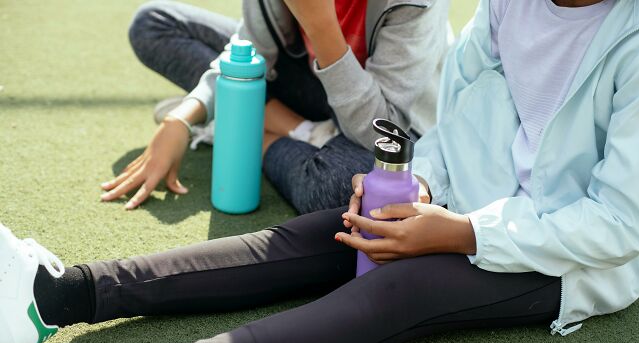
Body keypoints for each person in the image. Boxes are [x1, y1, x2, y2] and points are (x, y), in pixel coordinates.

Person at [1, 0, 639, 343]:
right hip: (462, 202)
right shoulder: (509, 4)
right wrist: (416, 186)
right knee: (325, 232)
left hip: (569, 255)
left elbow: (617, 223)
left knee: (391, 293)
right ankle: (59, 292)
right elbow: (456, 127)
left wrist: (460, 234)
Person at [99, 0, 451, 214]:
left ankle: (233, 126)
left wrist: (321, 26)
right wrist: (184, 116)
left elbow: (382, 131)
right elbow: (247, 52)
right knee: (154, 23)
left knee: (347, 186)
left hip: (381, 118)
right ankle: (297, 129)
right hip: (306, 83)